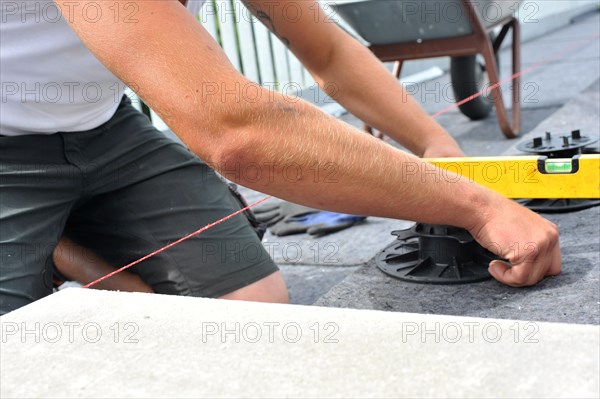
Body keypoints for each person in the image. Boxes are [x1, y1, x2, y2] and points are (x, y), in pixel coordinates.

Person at [0, 0, 561, 315]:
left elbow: (327, 47)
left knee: (251, 306)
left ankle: (60, 243)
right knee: (22, 350)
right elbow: (237, 133)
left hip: (101, 124)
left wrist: (436, 148)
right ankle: (59, 251)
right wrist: (479, 209)